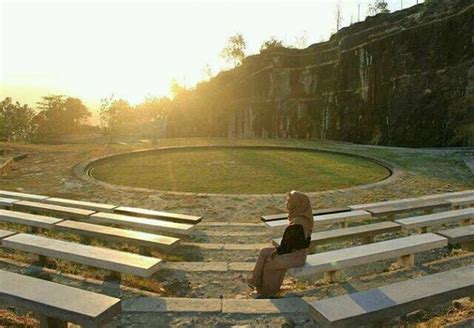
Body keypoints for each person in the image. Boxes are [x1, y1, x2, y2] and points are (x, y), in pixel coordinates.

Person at [244, 190, 313, 298]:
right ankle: (255, 281)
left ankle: (267, 292)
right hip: (294, 252)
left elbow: (288, 247)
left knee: (270, 262)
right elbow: (289, 245)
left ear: (297, 203)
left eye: (289, 201)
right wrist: (276, 251)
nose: (286, 203)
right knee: (264, 252)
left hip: (296, 256)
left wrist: (275, 253)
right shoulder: (302, 218)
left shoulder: (298, 224)